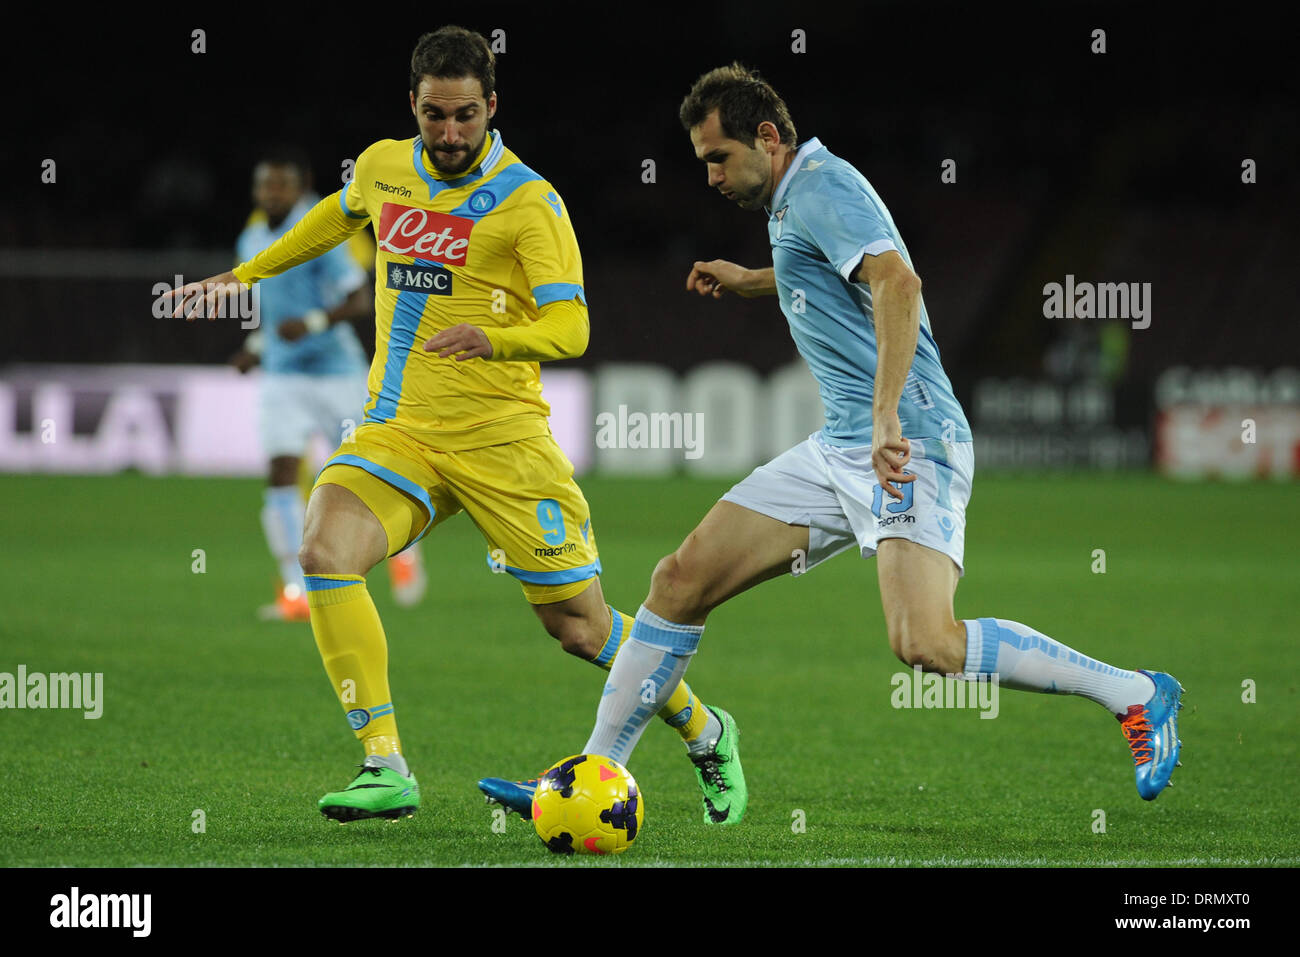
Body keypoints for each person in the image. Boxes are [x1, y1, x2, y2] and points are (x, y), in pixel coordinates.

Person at [167, 27, 746, 825]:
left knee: (579, 628)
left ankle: (707, 728)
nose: (448, 134)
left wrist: (494, 337)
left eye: (465, 116)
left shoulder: (530, 202)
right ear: (413, 105)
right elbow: (336, 219)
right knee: (323, 551)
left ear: (492, 107)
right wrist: (243, 275)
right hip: (397, 428)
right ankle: (385, 764)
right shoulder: (382, 166)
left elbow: (572, 330)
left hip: (503, 441)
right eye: (435, 116)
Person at [571, 63, 1183, 805]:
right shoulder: (797, 196)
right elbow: (830, 271)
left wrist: (887, 414)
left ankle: (1135, 691)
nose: (709, 176)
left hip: (908, 440)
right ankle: (592, 778)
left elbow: (899, 283)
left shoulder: (824, 185)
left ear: (767, 137)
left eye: (717, 157)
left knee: (925, 642)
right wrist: (752, 279)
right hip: (841, 447)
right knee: (677, 581)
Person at [231, 152, 427, 622]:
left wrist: (314, 322)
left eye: (281, 186)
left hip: (337, 372)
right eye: (265, 186)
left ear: (301, 188)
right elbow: (275, 312)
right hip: (283, 375)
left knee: (375, 473)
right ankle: (295, 591)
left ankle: (404, 556)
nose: (271, 194)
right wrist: (255, 348)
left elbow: (360, 298)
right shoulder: (252, 236)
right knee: (280, 472)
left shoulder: (321, 232)